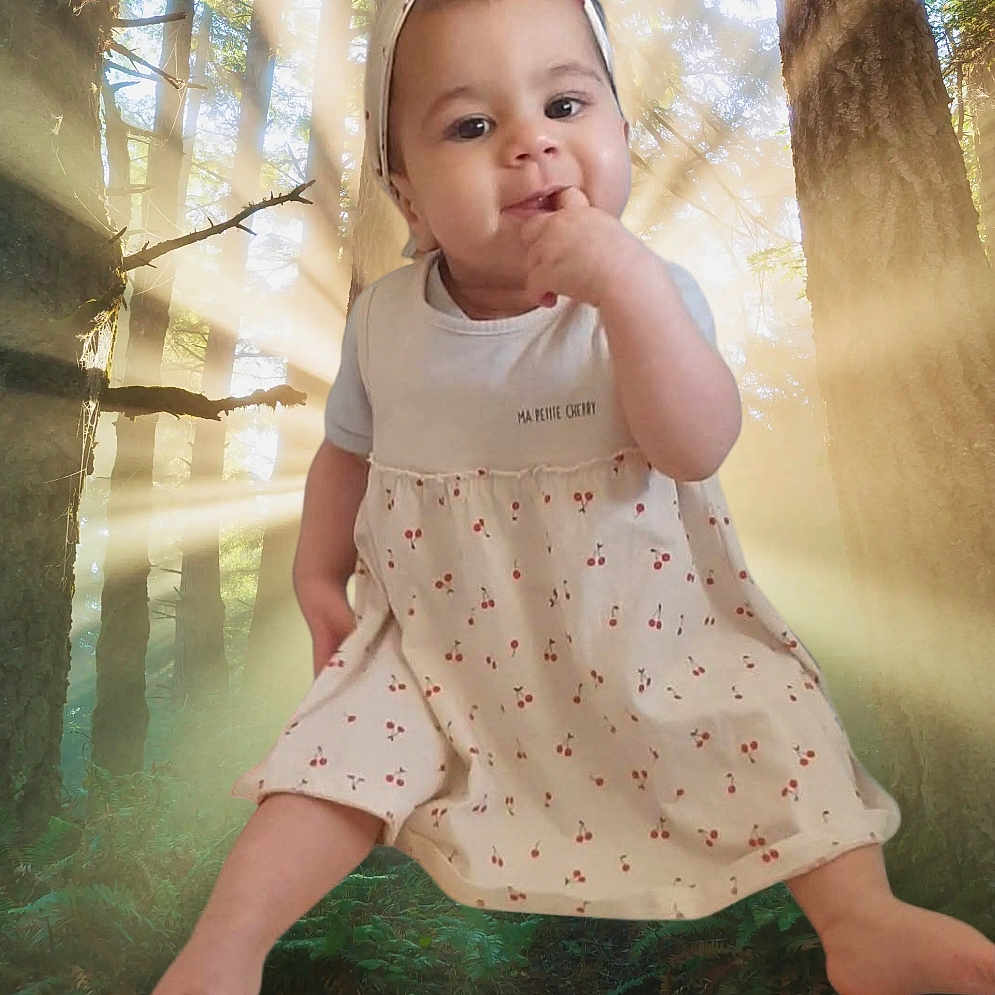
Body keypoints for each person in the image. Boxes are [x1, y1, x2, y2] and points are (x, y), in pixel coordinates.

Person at [152, 1, 995, 993]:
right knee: (329, 756)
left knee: (770, 716)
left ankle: (861, 919)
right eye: (471, 126)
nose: (530, 142)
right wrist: (314, 567)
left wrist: (627, 289)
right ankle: (224, 946)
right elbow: (346, 448)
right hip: (435, 636)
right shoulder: (384, 319)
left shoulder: (648, 294)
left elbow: (694, 442)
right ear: (408, 195)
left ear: (620, 140)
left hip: (640, 621)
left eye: (562, 102)